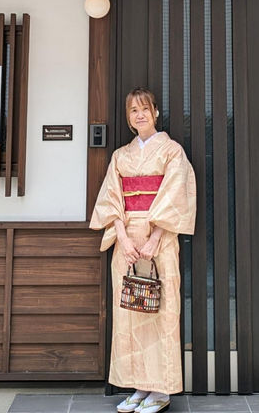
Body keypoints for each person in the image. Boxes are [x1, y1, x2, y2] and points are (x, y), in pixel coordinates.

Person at [90, 87, 196, 413]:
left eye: (144, 109)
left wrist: (155, 238)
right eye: (133, 110)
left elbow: (176, 196)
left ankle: (161, 391)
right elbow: (111, 199)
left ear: (155, 113)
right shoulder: (120, 156)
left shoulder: (172, 151)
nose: (139, 115)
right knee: (130, 313)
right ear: (128, 117)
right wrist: (122, 237)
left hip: (159, 237)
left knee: (161, 311)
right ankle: (138, 387)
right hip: (127, 240)